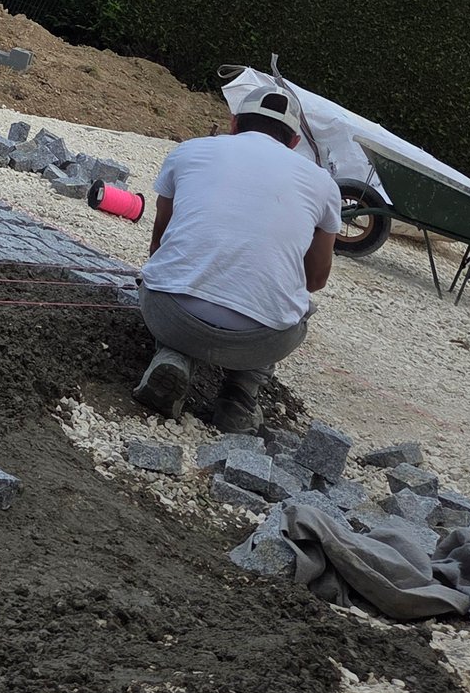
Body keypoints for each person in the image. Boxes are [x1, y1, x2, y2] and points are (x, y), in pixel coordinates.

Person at [133, 81, 341, 432]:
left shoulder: (188, 151)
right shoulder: (323, 184)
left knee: (166, 274)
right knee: (300, 305)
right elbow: (317, 280)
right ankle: (240, 396)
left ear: (233, 124)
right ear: (293, 142)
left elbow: (160, 245)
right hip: (260, 341)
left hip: (171, 317)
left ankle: (172, 357)